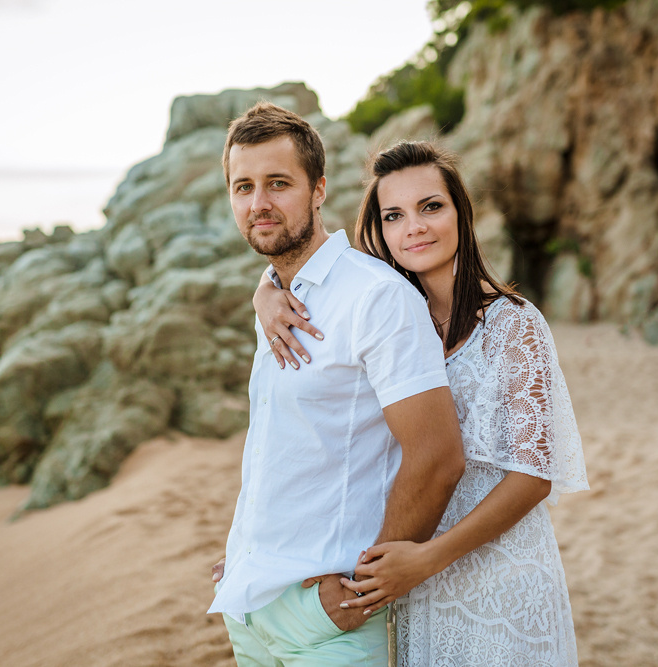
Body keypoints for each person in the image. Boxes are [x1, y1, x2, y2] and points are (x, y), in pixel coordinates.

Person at [253, 141, 589, 665]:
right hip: (416, 584)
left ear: (461, 212)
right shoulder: (388, 315)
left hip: (497, 576)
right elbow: (308, 263)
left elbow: (533, 476)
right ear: (381, 230)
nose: (414, 227)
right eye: (394, 215)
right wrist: (267, 290)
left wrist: (428, 559)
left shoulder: (514, 325)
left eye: (431, 206)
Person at [207, 105, 466, 666]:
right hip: (251, 608)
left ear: (319, 188)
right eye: (243, 187)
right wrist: (247, 552)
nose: (259, 204)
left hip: (330, 620)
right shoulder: (276, 298)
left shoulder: (376, 296)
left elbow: (438, 456)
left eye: (279, 183)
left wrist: (362, 591)